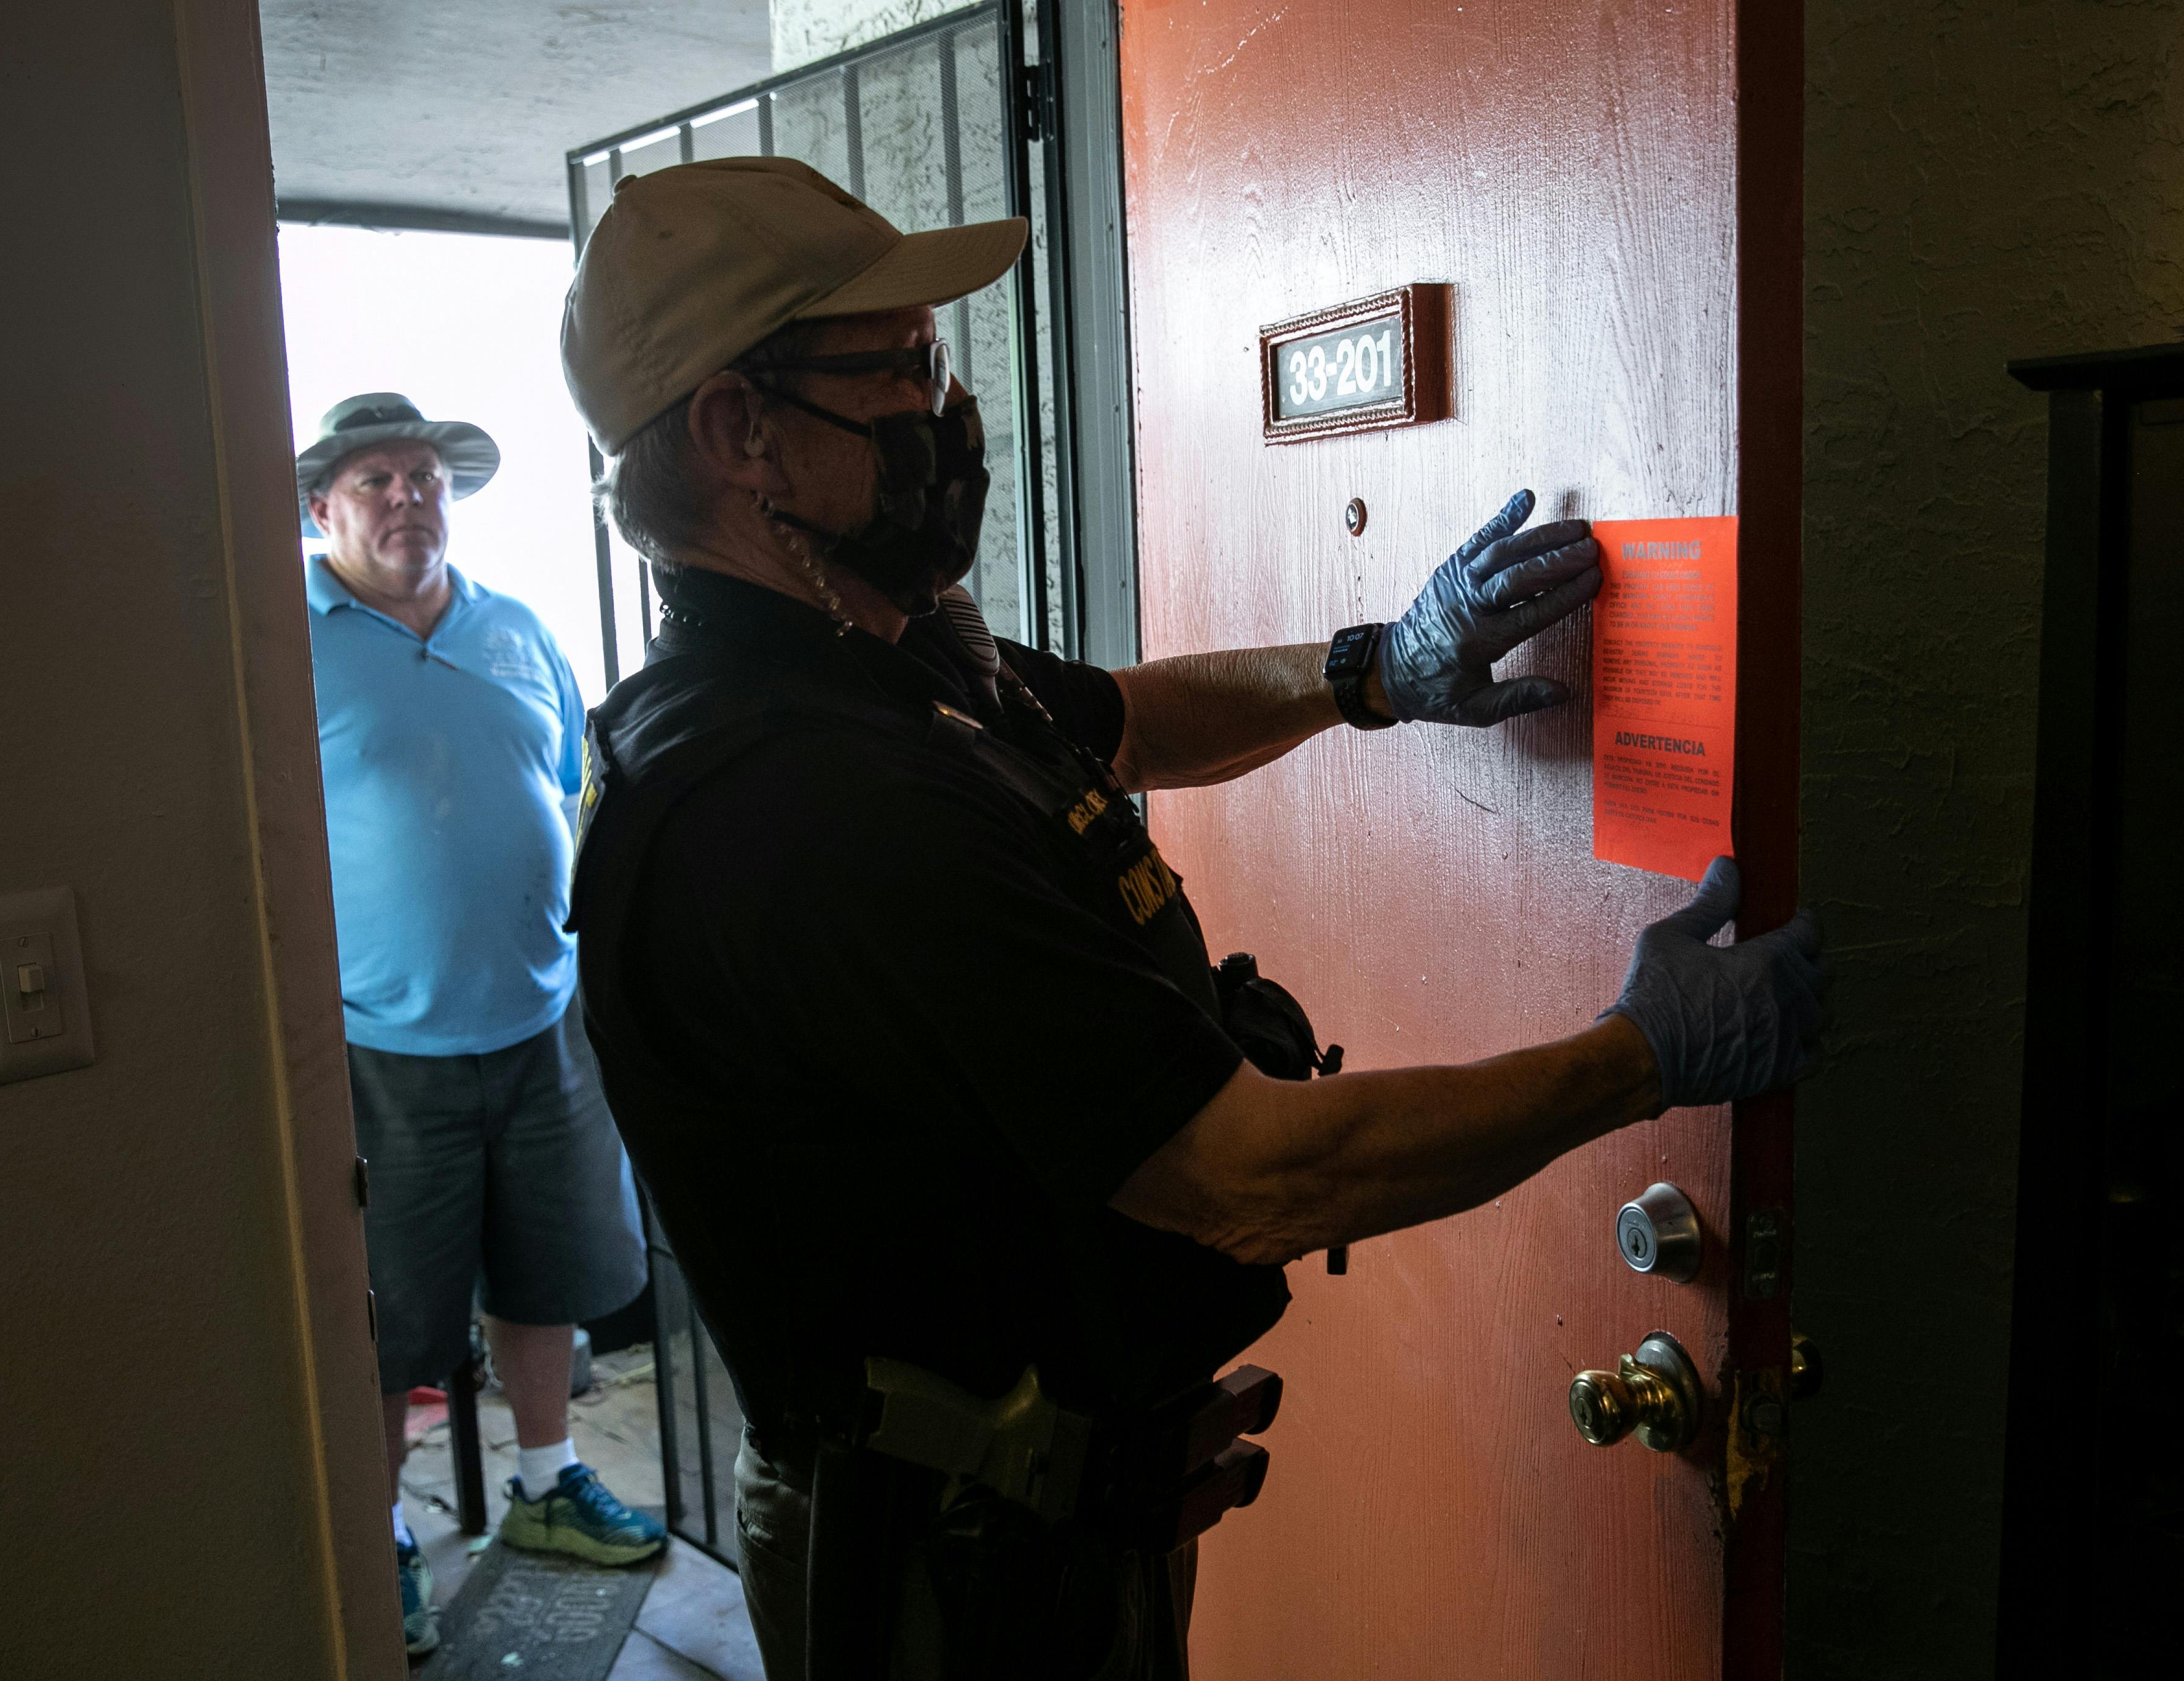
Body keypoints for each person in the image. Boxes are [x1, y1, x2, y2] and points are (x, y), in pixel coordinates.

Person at [556, 160, 1827, 1679]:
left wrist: (1377, 669)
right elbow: (1251, 1179)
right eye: (896, 367)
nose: (945, 410)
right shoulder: (806, 799)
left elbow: (1127, 722)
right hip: (948, 1577)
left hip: (1048, 1514)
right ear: (734, 429)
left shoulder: (871, 662)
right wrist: (1639, 1060)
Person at [294, 394, 665, 1659]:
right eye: (377, 481)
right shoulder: (281, 638)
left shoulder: (515, 628)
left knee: (549, 1270)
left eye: (427, 477)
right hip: (379, 1045)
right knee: (389, 1314)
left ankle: (547, 1482)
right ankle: (377, 1531)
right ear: (322, 509)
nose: (410, 497)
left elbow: (569, 779)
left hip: (539, 1020)